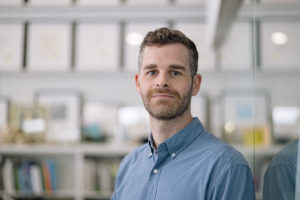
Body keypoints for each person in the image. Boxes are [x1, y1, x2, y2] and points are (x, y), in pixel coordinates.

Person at [111, 27, 255, 200]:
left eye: (175, 72)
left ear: (195, 84)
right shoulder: (129, 166)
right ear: (138, 83)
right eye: (152, 72)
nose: (162, 81)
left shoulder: (227, 168)